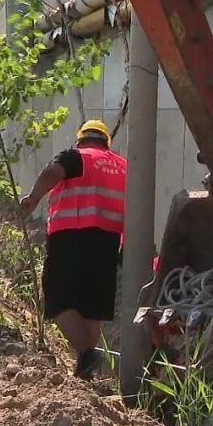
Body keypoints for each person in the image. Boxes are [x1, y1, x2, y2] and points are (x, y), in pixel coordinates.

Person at [20, 120, 126, 379]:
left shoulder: (77, 156)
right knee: (92, 306)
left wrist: (34, 197)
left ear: (81, 140)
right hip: (108, 241)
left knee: (57, 299)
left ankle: (87, 354)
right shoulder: (124, 166)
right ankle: (85, 370)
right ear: (106, 143)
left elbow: (52, 172)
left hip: (71, 236)